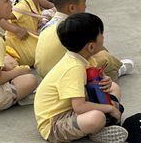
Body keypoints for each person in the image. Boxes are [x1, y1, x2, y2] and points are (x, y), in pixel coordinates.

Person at [34, 12, 128, 143]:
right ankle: (97, 130)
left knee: (114, 87)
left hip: (73, 107)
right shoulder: (74, 68)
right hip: (55, 122)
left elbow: (99, 80)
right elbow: (80, 107)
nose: (103, 37)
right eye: (101, 34)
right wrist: (110, 108)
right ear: (91, 46)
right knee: (97, 118)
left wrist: (106, 81)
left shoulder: (85, 58)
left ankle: (104, 122)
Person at [35, 0, 135, 79]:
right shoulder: (75, 28)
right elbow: (93, 50)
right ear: (72, 8)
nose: (85, 6)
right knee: (104, 56)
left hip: (44, 74)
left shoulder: (49, 25)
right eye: (84, 2)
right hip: (63, 76)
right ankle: (116, 70)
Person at [5, 0, 52, 67]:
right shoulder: (22, 6)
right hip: (21, 50)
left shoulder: (34, 2)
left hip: (29, 44)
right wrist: (16, 29)